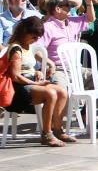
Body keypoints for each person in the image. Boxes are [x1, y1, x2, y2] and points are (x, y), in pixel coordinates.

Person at [2, 17, 73, 146]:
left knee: (62, 92)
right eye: (34, 37)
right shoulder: (16, 49)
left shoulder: (28, 46)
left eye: (38, 37)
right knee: (50, 93)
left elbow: (27, 67)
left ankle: (57, 128)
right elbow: (15, 76)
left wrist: (36, 72)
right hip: (17, 89)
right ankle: (46, 134)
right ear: (25, 32)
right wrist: (36, 83)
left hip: (29, 81)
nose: (36, 40)